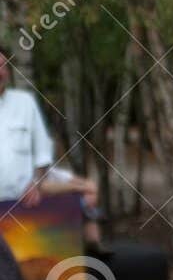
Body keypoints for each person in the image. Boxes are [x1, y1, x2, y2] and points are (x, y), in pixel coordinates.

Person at [0, 47, 101, 242]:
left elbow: (43, 151)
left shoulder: (25, 103)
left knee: (32, 268)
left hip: (26, 206)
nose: (0, 72)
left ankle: (97, 256)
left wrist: (37, 183)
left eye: (3, 66)